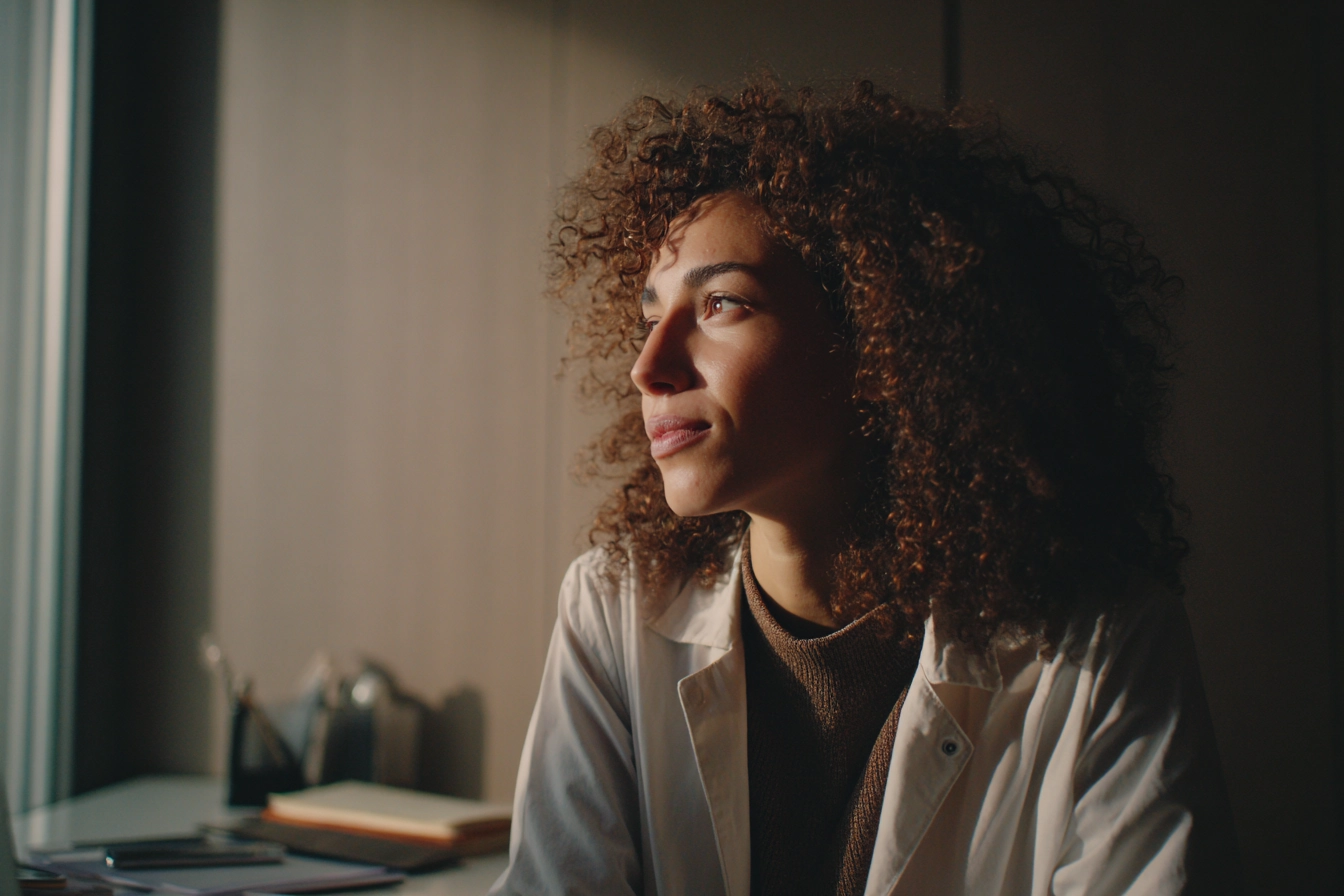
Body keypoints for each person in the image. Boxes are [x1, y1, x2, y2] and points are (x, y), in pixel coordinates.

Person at [489, 78, 1241, 895]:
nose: (649, 366)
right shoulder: (615, 608)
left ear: (882, 343)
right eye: (649, 316)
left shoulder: (1105, 648)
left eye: (721, 304)